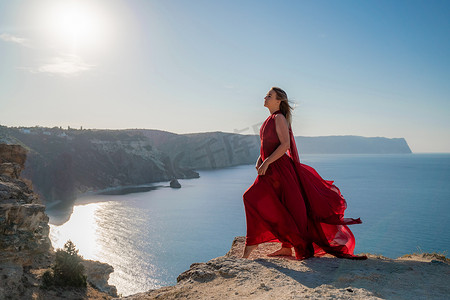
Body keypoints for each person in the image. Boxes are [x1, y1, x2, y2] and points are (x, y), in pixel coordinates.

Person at [242, 87, 367, 260]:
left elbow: (285, 145)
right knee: (279, 205)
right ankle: (285, 247)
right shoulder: (269, 119)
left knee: (251, 197)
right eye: (266, 95)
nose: (265, 97)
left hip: (279, 170)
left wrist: (267, 161)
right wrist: (260, 159)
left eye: (269, 95)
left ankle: (253, 243)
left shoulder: (279, 118)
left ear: (279, 101)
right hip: (271, 169)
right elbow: (268, 145)